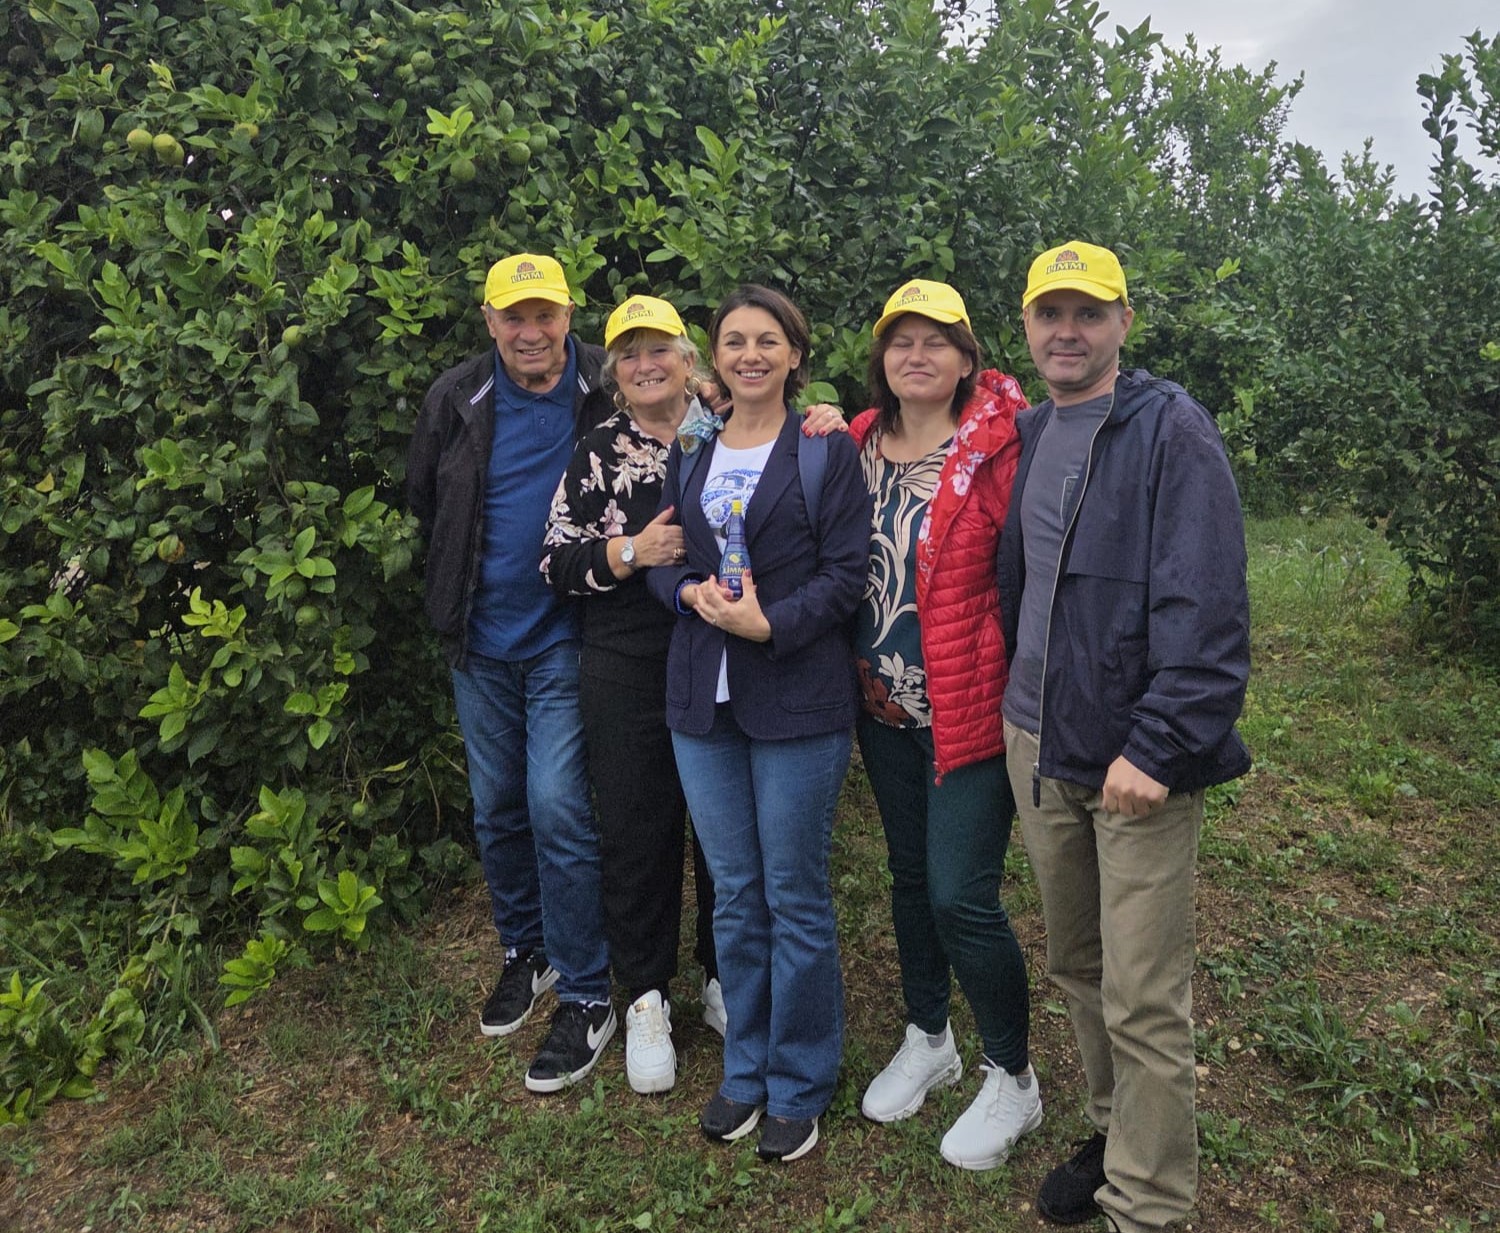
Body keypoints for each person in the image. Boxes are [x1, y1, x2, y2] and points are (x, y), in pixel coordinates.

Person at [998, 242, 1251, 1231]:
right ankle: (1115, 1132)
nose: (1068, 331)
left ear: (1123, 323)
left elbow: (1209, 609)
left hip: (1132, 759)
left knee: (1143, 993)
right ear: (1027, 324)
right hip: (1037, 740)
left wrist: (1159, 743)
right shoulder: (1028, 430)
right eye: (1050, 313)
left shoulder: (1169, 430)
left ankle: (1146, 1205)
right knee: (1078, 963)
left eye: (1089, 313)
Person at [646, 285, 871, 1163]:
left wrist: (770, 623)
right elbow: (666, 557)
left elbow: (846, 574)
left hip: (796, 696)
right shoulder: (693, 448)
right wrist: (686, 592)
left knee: (794, 893)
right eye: (734, 340)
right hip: (702, 702)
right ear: (715, 356)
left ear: (794, 354)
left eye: (767, 340)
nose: (749, 354)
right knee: (735, 895)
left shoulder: (823, 447)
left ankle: (800, 1078)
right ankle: (745, 1066)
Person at [407, 252, 615, 1094]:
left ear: (569, 316)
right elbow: (426, 501)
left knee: (557, 805)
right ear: (489, 321)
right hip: (480, 639)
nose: (531, 333)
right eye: (514, 317)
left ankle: (588, 989)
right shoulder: (455, 397)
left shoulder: (604, 384)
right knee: (496, 805)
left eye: (545, 315)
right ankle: (526, 950)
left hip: (566, 633)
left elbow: (689, 411)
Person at [844, 280, 1039, 1170]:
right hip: (881, 707)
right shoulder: (856, 441)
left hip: (968, 707)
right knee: (909, 876)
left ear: (966, 357)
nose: (916, 355)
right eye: (900, 340)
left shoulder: (999, 445)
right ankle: (930, 1036)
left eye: (936, 340)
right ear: (882, 358)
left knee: (962, 890)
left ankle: (1014, 1074)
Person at [539, 294, 723, 1095]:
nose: (646, 365)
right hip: (625, 657)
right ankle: (646, 994)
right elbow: (553, 561)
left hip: (720, 646)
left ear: (688, 358)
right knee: (635, 824)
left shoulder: (727, 427)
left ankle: (725, 971)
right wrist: (629, 550)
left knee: (723, 824)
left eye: (660, 349)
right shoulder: (597, 451)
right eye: (630, 354)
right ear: (614, 371)